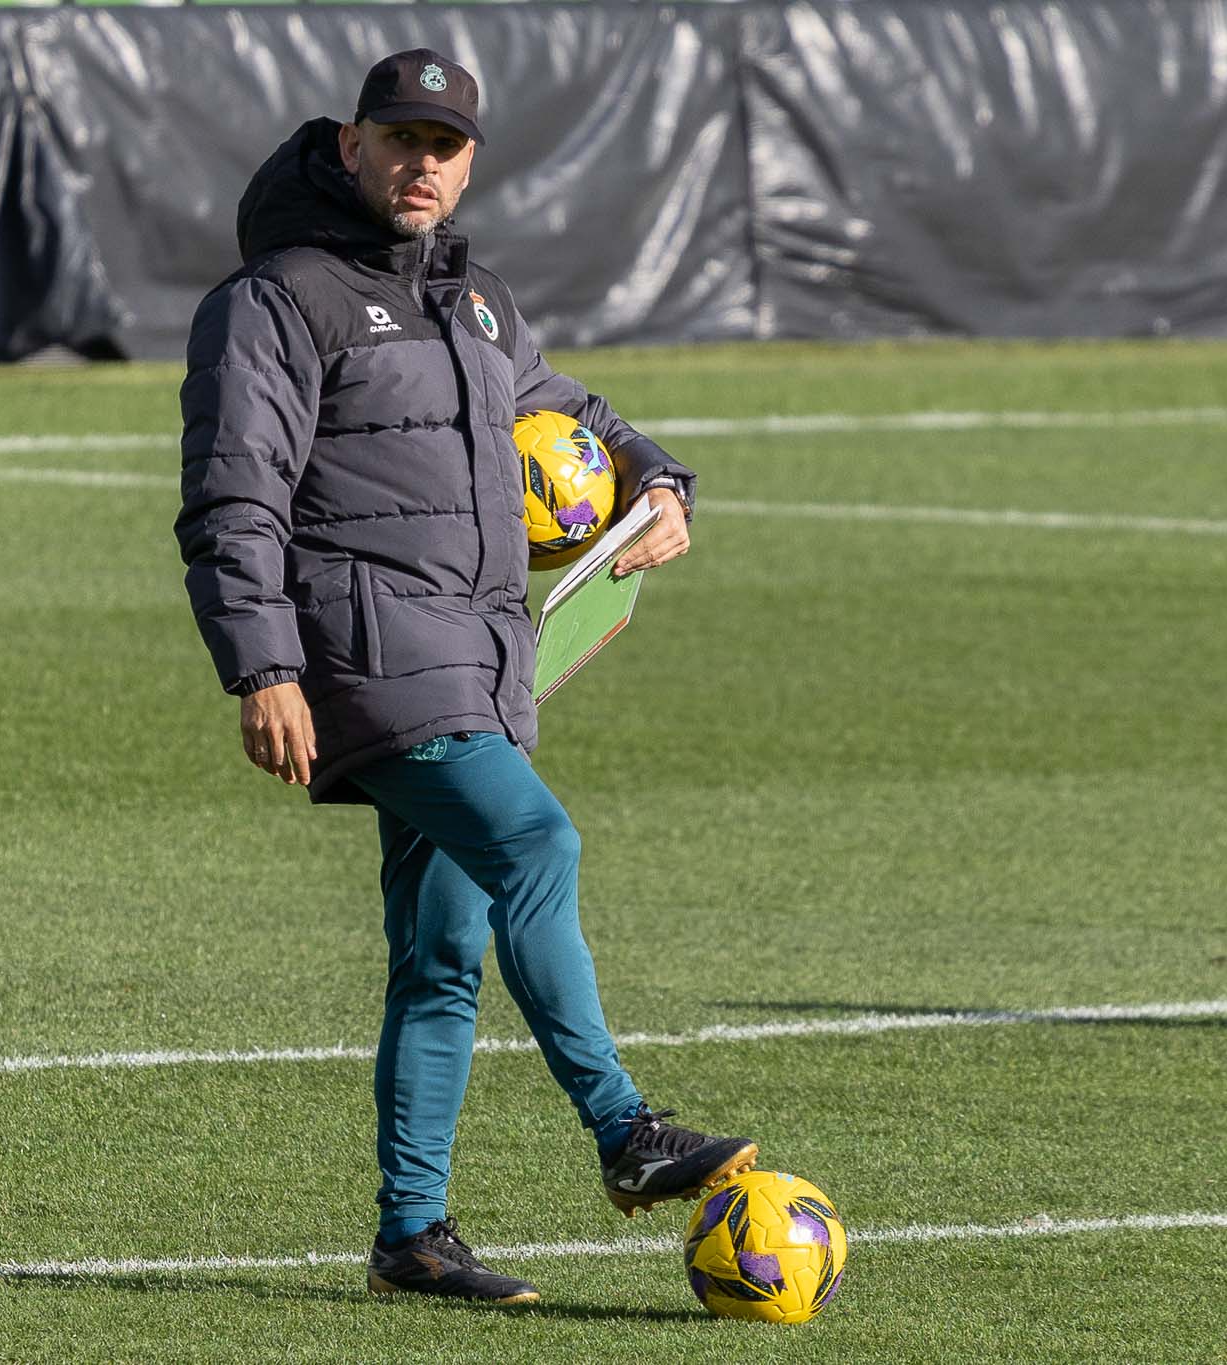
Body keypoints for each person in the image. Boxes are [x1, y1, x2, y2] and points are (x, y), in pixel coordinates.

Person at [174, 49, 757, 1305]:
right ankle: (625, 1130)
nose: (422, 162)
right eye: (400, 138)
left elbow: (567, 406)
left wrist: (659, 477)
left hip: (487, 659)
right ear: (349, 144)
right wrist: (263, 666)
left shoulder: (476, 301)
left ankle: (411, 1238)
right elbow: (233, 498)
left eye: (446, 143)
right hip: (370, 655)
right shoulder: (277, 299)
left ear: (471, 159)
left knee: (443, 949)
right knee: (536, 847)